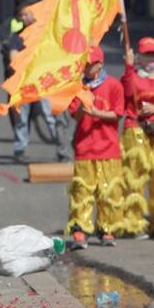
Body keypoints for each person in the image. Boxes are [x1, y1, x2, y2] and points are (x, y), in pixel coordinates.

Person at [66, 46, 125, 249]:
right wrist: (83, 107)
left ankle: (106, 229)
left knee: (108, 191)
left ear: (100, 64)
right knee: (82, 191)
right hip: (84, 148)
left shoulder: (113, 85)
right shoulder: (77, 87)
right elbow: (74, 116)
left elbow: (117, 114)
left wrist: (96, 113)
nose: (86, 67)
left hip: (109, 147)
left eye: (90, 64)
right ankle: (80, 229)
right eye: (84, 64)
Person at [119, 37, 154, 239]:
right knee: (135, 176)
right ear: (139, 56)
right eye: (146, 55)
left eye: (153, 55)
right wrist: (128, 68)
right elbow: (126, 95)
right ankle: (132, 222)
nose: (150, 59)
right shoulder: (131, 77)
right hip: (136, 130)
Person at [3, 0, 71, 163]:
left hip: (44, 82)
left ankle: (62, 150)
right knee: (21, 117)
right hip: (24, 84)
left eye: (27, 14)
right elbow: (14, 59)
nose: (24, 18)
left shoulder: (45, 34)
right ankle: (19, 149)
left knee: (51, 116)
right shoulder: (17, 38)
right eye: (22, 15)